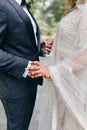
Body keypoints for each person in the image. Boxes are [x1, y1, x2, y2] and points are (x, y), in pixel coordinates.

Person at [29, 0, 87, 129]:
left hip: (78, 83)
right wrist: (56, 44)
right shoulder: (78, 7)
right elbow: (77, 43)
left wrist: (53, 71)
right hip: (68, 83)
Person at [0, 0, 53, 130]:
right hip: (14, 85)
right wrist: (26, 66)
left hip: (29, 83)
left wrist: (40, 48)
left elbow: (16, 40)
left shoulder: (21, 5)